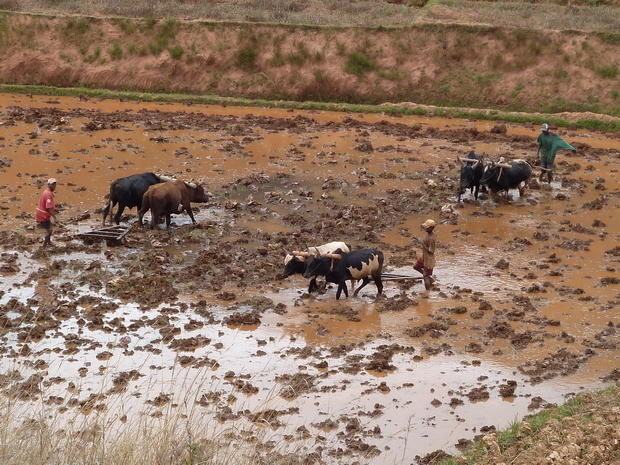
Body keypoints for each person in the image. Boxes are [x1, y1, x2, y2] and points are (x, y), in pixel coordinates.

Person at [413, 219, 436, 288]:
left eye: (427, 227)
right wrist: (417, 239)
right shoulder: (427, 235)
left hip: (429, 259)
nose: (425, 228)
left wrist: (421, 243)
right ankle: (430, 279)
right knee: (416, 266)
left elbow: (431, 251)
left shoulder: (431, 238)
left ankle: (427, 292)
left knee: (425, 275)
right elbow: (425, 243)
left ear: (431, 228)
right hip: (424, 257)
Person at [35, 178, 58, 248]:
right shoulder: (48, 194)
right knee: (49, 229)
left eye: (55, 184)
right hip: (42, 215)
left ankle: (49, 242)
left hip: (42, 213)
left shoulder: (47, 192)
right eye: (52, 184)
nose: (54, 186)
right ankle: (44, 246)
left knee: (50, 228)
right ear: (48, 185)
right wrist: (55, 218)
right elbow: (48, 208)